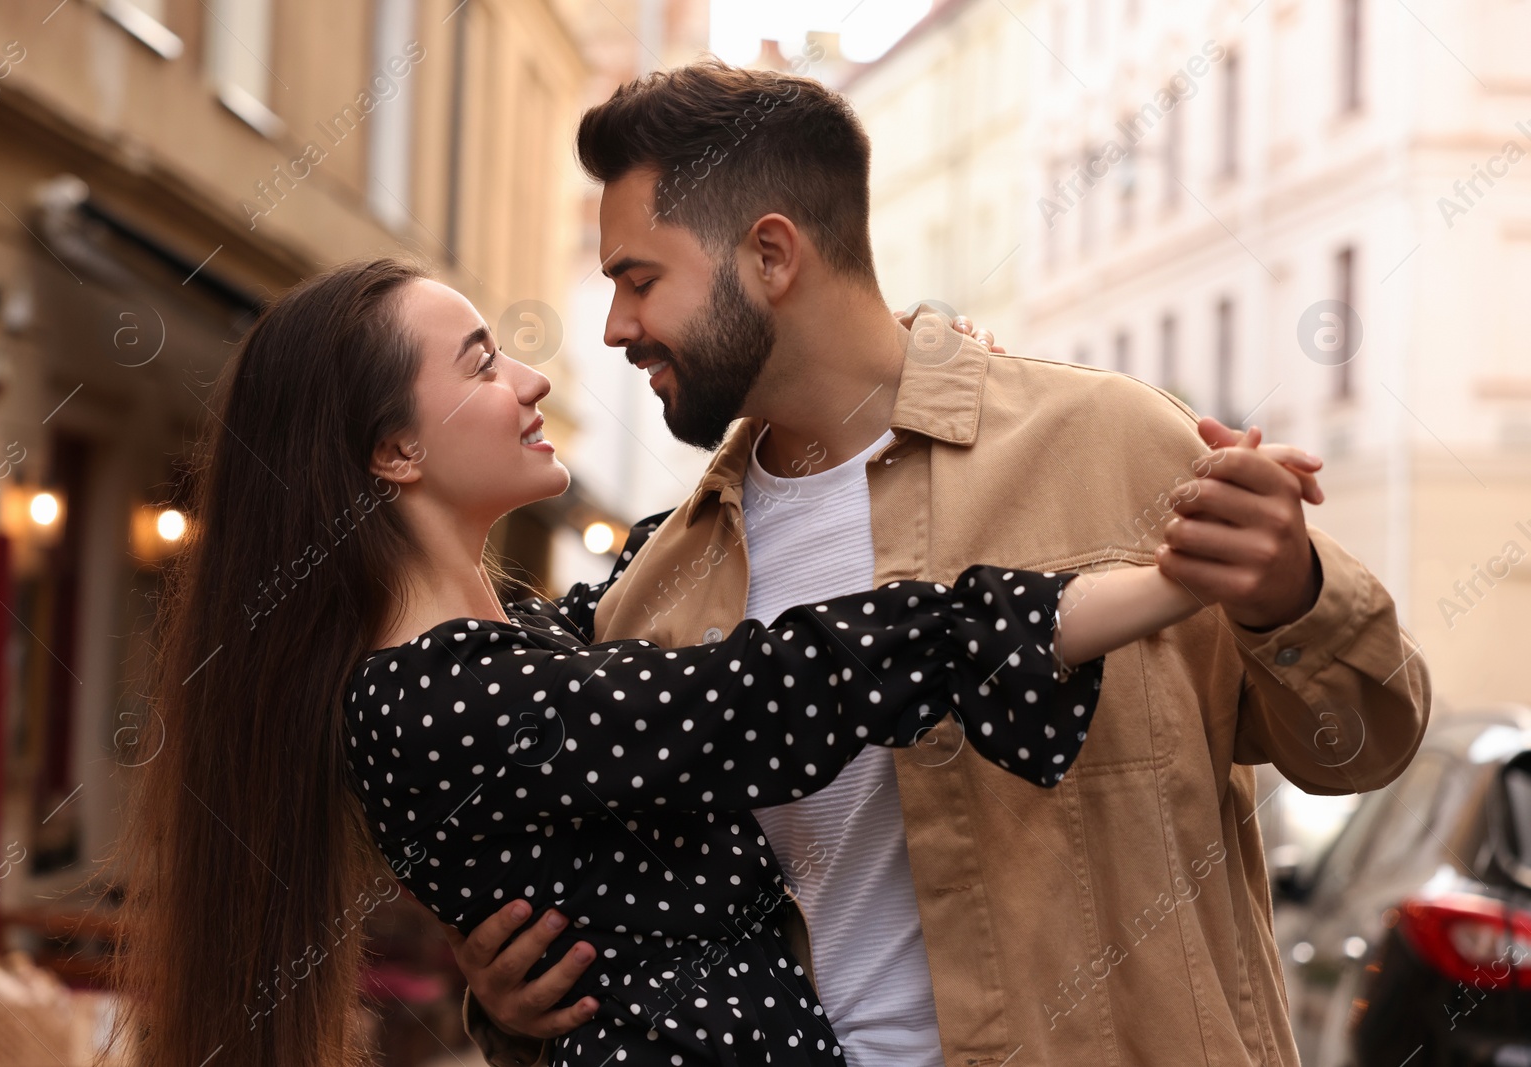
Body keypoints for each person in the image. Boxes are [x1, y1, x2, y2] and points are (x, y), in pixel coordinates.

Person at [453, 61, 1431, 1067]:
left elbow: (1362, 743)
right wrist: (513, 1003)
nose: (613, 325)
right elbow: (633, 926)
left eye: (638, 278)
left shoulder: (1113, 443)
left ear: (772, 254)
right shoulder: (663, 578)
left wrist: (1289, 593)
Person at [105, 256, 1309, 1067]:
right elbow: (774, 685)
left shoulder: (519, 649)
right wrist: (1167, 585)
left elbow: (681, 564)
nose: (530, 376)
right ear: (393, 454)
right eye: (478, 363)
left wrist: (901, 387)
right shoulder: (438, 694)